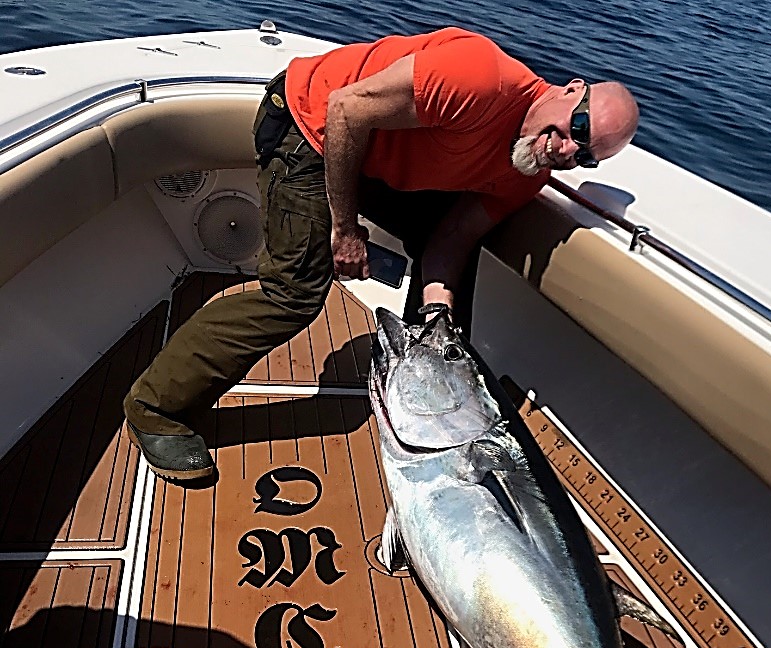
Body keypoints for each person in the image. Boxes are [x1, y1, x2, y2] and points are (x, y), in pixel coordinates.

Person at [124, 27, 639, 480]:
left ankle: (428, 389)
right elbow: (345, 109)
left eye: (589, 155)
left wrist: (439, 319)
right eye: (579, 128)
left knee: (454, 273)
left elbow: (452, 239)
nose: (571, 149)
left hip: (367, 156)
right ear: (572, 90)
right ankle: (155, 407)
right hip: (310, 126)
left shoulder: (524, 175)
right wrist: (344, 231)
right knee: (295, 294)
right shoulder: (480, 78)